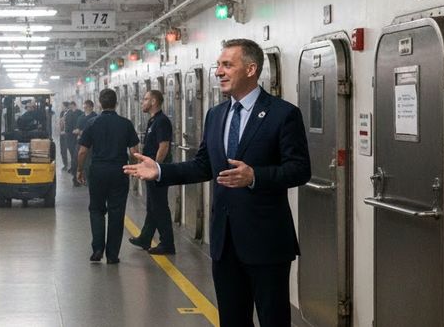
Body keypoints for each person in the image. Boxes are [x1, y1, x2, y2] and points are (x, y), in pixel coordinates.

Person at [123, 39, 311, 327]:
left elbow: (300, 169)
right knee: (232, 320)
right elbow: (203, 166)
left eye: (227, 65)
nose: (219, 72)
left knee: (274, 320)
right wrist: (161, 171)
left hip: (266, 240)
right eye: (218, 65)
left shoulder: (282, 114)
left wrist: (255, 176)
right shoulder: (216, 115)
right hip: (224, 241)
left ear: (251, 69)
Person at [76, 89, 140, 264]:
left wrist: (80, 170)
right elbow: (134, 151)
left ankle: (97, 249)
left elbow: (82, 151)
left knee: (96, 209)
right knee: (116, 212)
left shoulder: (91, 123)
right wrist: (134, 169)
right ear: (116, 103)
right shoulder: (126, 124)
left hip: (97, 171)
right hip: (119, 171)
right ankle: (112, 255)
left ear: (99, 103)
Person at [127, 90, 175, 255]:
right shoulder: (153, 121)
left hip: (158, 171)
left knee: (160, 207)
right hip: (153, 170)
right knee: (153, 206)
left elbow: (164, 146)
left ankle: (167, 244)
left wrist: (155, 167)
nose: (142, 102)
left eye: (145, 99)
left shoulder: (161, 121)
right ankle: (145, 238)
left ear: (154, 101)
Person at [72, 100, 97, 187]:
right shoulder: (81, 117)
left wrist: (81, 132)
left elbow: (94, 131)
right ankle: (76, 179)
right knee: (76, 161)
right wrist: (77, 131)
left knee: (88, 163)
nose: (84, 109)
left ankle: (87, 180)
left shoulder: (95, 117)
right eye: (84, 107)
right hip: (80, 142)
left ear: (91, 107)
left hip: (90, 144)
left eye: (86, 107)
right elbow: (77, 128)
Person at [65, 101, 82, 181]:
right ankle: (74, 170)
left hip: (74, 136)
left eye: (71, 106)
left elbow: (69, 125)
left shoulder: (78, 113)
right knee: (74, 154)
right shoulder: (70, 113)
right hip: (72, 136)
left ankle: (76, 172)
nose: (71, 108)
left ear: (73, 105)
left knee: (75, 154)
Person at [58, 101, 70, 170]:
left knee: (69, 149)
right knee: (62, 150)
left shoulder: (69, 113)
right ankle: (65, 164)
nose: (61, 107)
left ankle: (71, 165)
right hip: (61, 134)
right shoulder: (62, 113)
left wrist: (65, 132)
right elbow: (60, 122)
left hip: (66, 134)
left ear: (66, 106)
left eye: (62, 106)